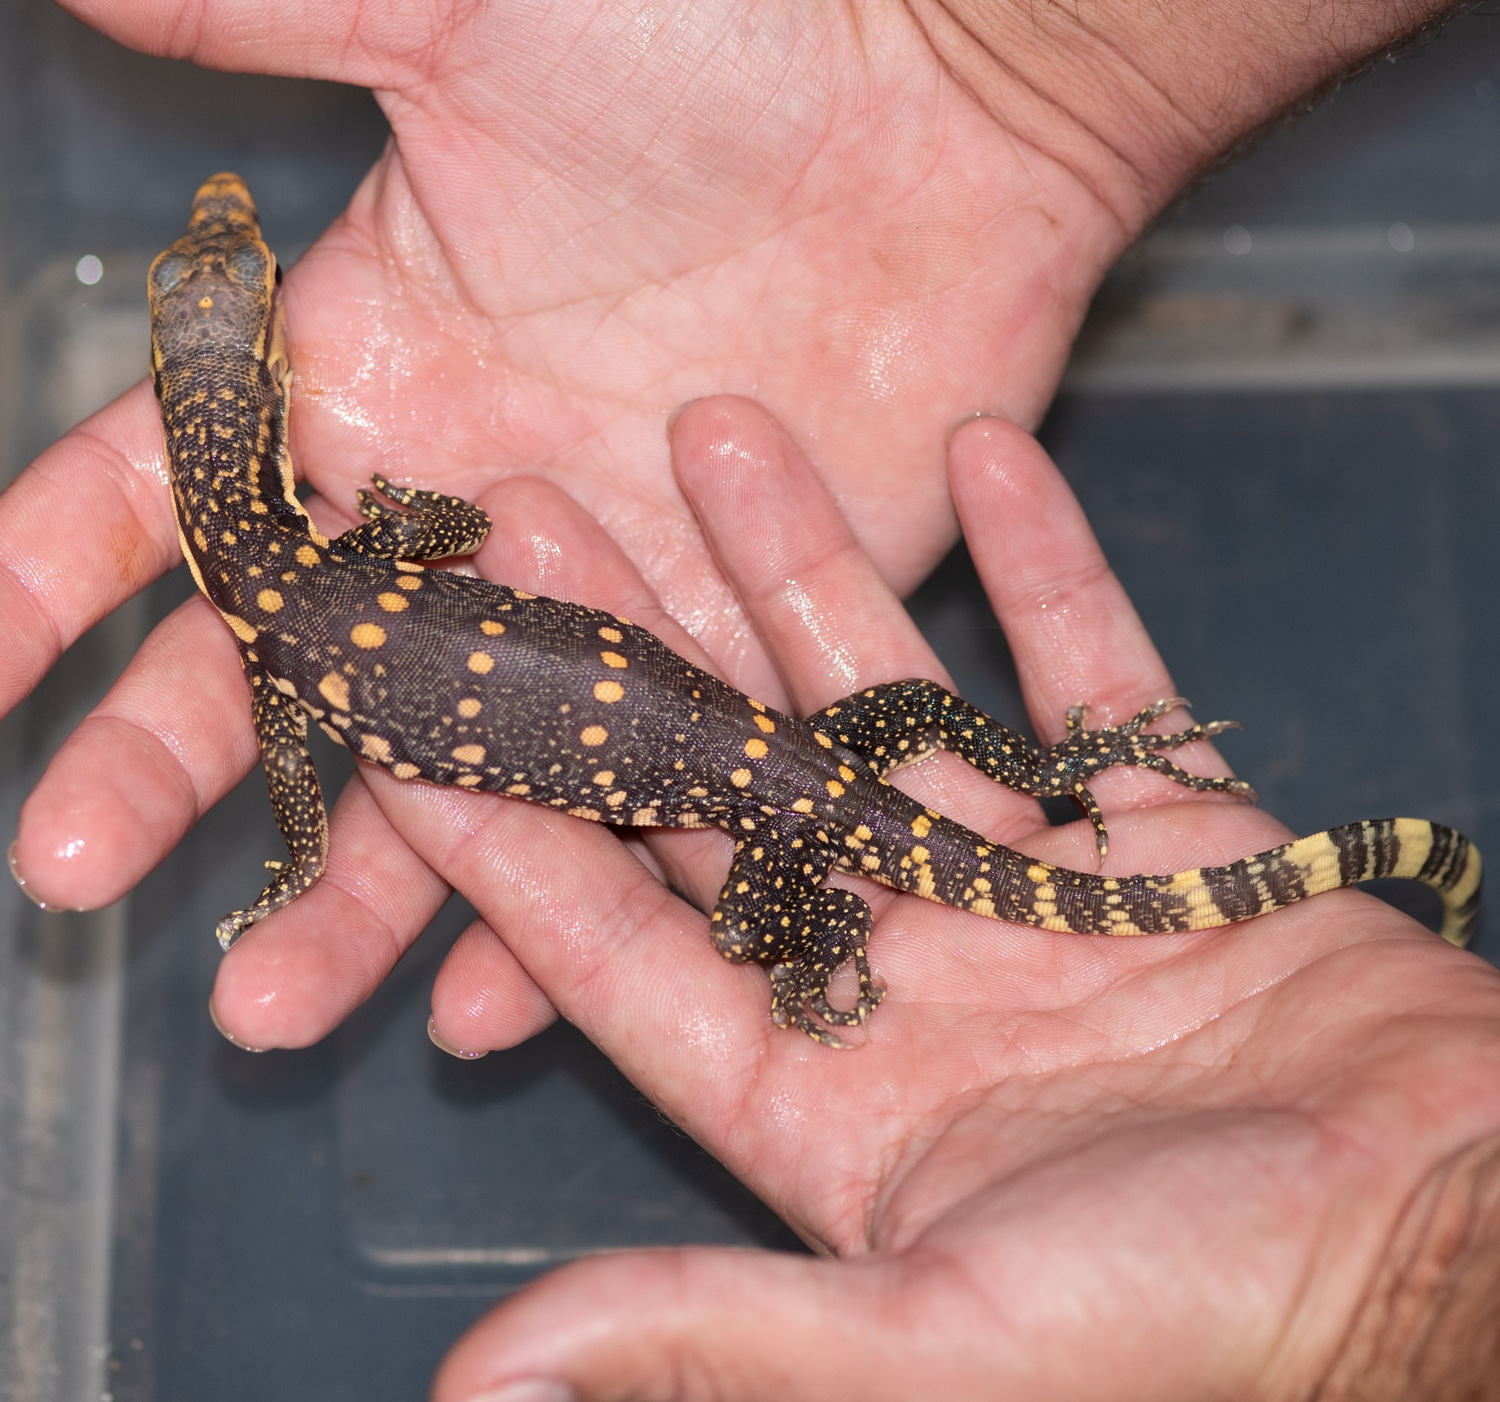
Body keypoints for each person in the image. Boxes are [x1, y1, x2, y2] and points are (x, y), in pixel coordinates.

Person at [6, 1, 1497, 1397]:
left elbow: (294, 772)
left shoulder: (287, 640)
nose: (226, 237)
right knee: (885, 749)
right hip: (783, 761)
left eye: (236, 271)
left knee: (748, 921)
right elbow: (453, 535)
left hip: (774, 795)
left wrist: (294, 857)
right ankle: (1080, 788)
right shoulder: (353, 559)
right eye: (222, 277)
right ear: (257, 375)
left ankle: (829, 931)